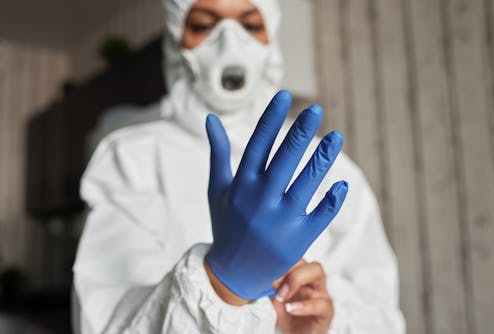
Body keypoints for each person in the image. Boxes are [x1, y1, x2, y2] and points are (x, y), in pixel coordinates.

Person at [72, 0, 405, 333]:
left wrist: (324, 320)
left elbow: (383, 316)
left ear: (269, 39)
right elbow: (104, 320)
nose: (230, 41)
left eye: (250, 26)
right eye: (204, 25)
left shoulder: (325, 166)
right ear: (177, 40)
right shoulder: (131, 157)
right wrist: (223, 282)